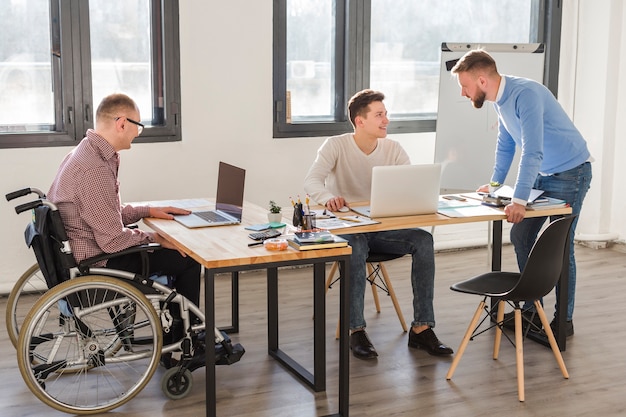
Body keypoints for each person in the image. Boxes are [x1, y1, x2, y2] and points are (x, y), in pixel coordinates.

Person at [451, 49, 592, 337]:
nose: (464, 94)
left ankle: (563, 321)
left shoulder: (525, 94)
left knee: (561, 246)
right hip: (543, 173)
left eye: (464, 87)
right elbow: (506, 145)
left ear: (481, 80)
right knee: (522, 235)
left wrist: (518, 200)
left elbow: (532, 150)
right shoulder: (498, 100)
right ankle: (531, 309)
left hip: (571, 172)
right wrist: (493, 188)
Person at [304, 89, 453, 359]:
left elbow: (410, 185)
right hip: (348, 230)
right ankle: (356, 331)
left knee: (423, 239)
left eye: (386, 114)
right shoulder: (335, 145)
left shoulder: (393, 148)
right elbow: (312, 181)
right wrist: (328, 198)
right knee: (357, 247)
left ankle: (421, 328)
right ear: (360, 121)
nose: (386, 120)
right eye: (379, 115)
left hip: (382, 228)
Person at [47, 93, 201, 314]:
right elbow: (112, 241)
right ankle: (189, 337)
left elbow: (104, 213)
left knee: (165, 248)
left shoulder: (85, 152)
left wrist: (147, 211)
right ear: (122, 124)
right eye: (138, 127)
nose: (137, 134)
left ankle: (177, 329)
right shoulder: (94, 169)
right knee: (186, 257)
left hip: (86, 253)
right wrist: (156, 238)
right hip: (99, 264)